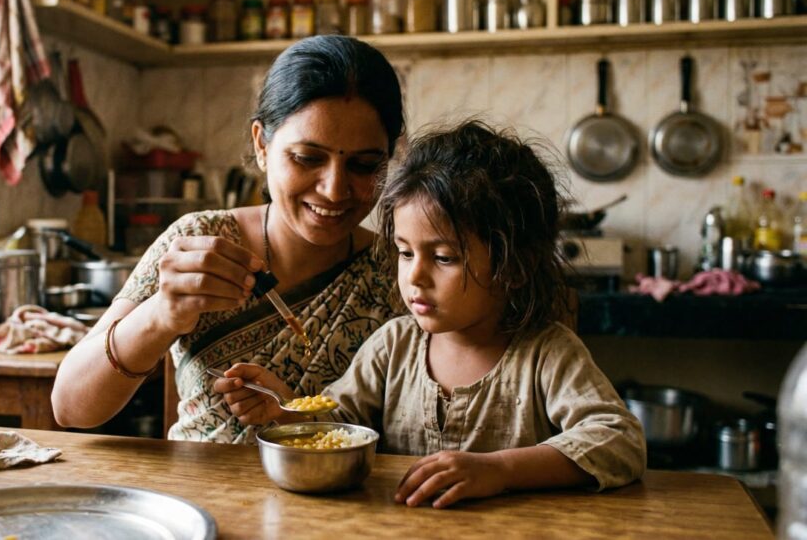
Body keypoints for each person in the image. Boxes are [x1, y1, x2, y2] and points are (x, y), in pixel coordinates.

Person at [215, 120, 646, 507]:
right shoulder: (392, 346)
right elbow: (340, 425)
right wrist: (284, 409)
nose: (414, 276)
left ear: (513, 266)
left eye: (443, 258)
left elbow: (618, 440)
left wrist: (500, 470)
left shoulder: (547, 355)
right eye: (405, 253)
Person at [51, 35, 406, 442]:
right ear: (261, 145)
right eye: (307, 158)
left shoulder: (398, 272)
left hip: (341, 500)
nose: (334, 189)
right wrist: (162, 314)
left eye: (364, 165)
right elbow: (70, 407)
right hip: (199, 494)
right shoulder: (199, 242)